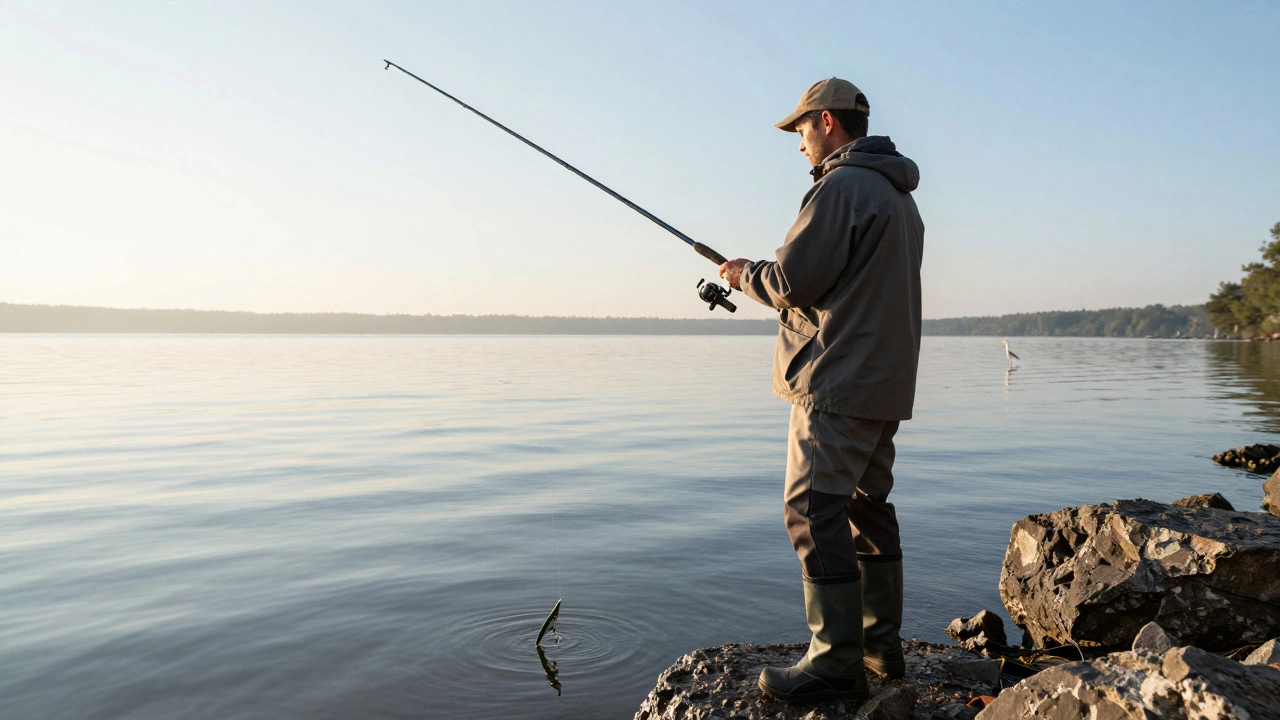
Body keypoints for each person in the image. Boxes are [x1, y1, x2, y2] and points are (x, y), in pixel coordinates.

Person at [718, 77, 924, 704]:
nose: (798, 143)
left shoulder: (841, 188)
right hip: (883, 383)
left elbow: (792, 281)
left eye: (801, 129)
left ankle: (836, 661)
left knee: (811, 510)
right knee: (865, 507)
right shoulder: (897, 195)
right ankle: (881, 649)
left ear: (828, 122)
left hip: (837, 383)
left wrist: (741, 272)